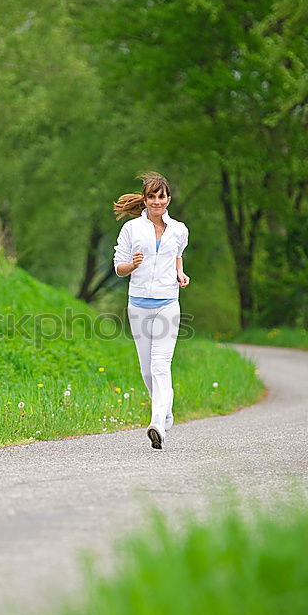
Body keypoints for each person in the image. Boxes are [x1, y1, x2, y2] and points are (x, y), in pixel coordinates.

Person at [112, 172, 189, 449]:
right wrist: (132, 265)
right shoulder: (132, 230)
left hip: (168, 304)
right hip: (139, 305)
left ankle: (157, 423)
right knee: (147, 370)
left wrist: (181, 274)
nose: (157, 202)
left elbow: (177, 256)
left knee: (160, 365)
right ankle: (165, 410)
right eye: (152, 197)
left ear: (169, 198)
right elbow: (119, 268)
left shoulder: (179, 229)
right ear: (145, 200)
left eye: (162, 196)